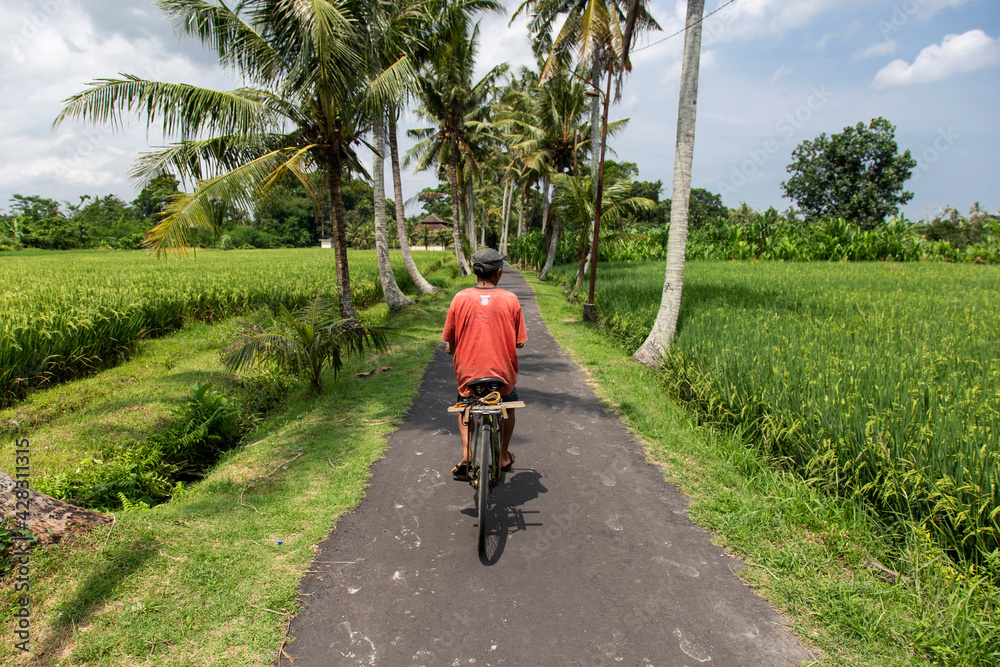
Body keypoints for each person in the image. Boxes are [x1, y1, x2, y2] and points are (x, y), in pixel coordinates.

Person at [442, 248, 527, 480]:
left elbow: (450, 342)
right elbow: (520, 343)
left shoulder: (459, 298)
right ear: (498, 272)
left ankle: (466, 455)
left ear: (474, 270)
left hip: (469, 375)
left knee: (464, 406)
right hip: (502, 377)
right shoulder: (510, 299)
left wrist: (452, 349)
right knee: (508, 407)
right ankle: (503, 457)